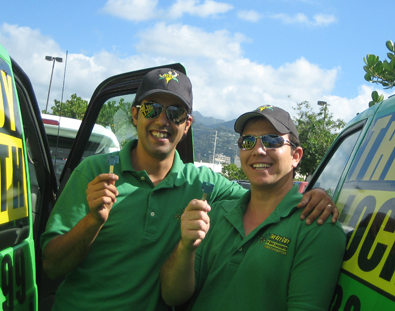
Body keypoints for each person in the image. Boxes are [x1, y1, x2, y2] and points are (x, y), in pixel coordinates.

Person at [41, 69, 338, 311]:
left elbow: (265, 195)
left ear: (188, 124)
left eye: (175, 113)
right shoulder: (94, 172)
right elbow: (52, 266)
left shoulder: (203, 186)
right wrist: (92, 220)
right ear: (135, 115)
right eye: (151, 108)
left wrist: (313, 192)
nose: (162, 120)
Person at [160, 105, 346, 310]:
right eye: (247, 142)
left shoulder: (316, 228)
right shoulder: (218, 213)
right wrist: (186, 247)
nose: (258, 150)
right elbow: (172, 297)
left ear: (296, 156)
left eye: (272, 140)